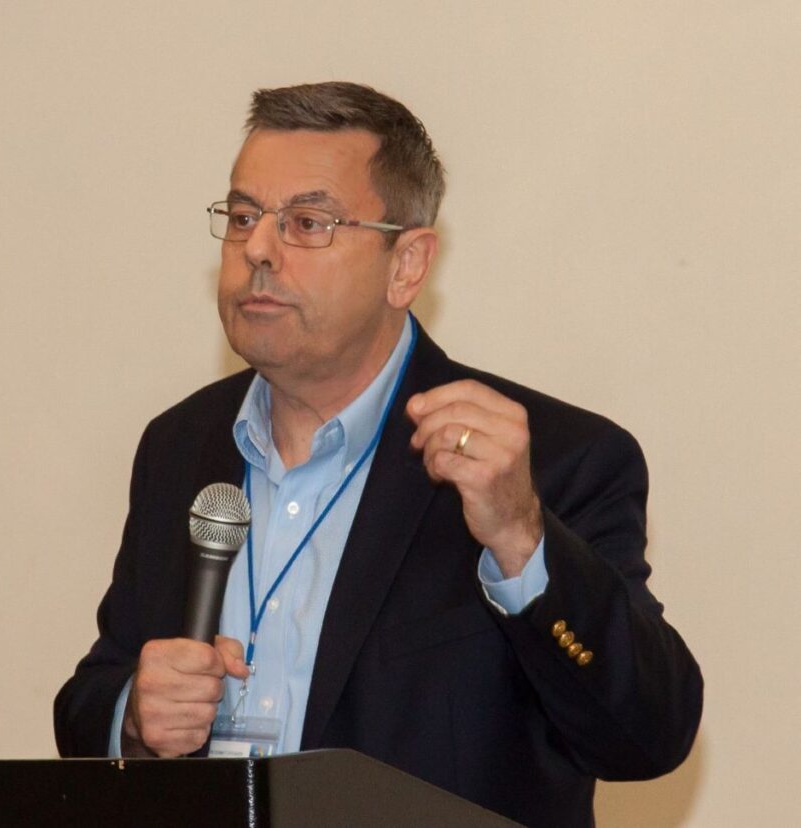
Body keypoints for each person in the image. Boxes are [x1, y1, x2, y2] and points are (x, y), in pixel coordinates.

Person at [54, 81, 702, 827]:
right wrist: (132, 713)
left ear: (408, 265)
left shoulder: (554, 462)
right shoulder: (179, 445)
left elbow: (647, 737)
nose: (258, 250)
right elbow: (96, 691)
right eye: (241, 218)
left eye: (307, 223)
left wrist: (522, 539)